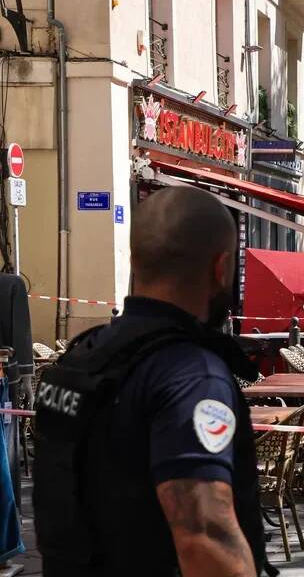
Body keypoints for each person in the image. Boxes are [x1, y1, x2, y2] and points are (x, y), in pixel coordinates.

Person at [34, 186, 269, 577]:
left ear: (137, 261)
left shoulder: (84, 358)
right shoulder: (191, 375)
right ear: (221, 268)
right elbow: (204, 537)